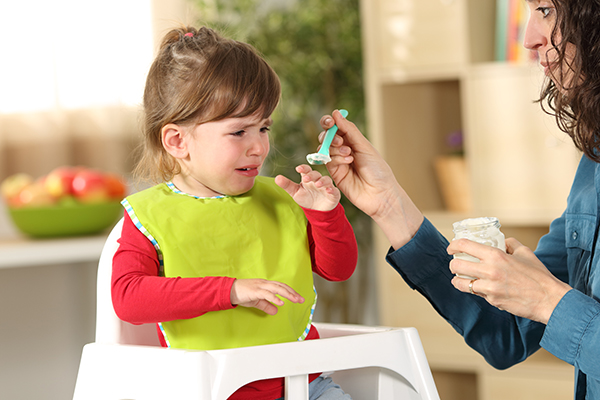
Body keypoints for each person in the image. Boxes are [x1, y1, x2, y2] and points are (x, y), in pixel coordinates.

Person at [317, 1, 600, 398]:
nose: (529, 39)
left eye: (547, 10)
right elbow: (508, 334)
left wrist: (549, 302)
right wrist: (389, 206)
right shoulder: (593, 165)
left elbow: (546, 306)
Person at [111, 26, 356, 400]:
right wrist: (230, 290)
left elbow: (338, 269)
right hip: (211, 392)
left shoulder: (280, 197)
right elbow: (129, 298)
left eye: (263, 126)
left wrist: (326, 215)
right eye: (239, 131)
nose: (259, 146)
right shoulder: (150, 215)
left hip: (306, 386)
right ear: (178, 141)